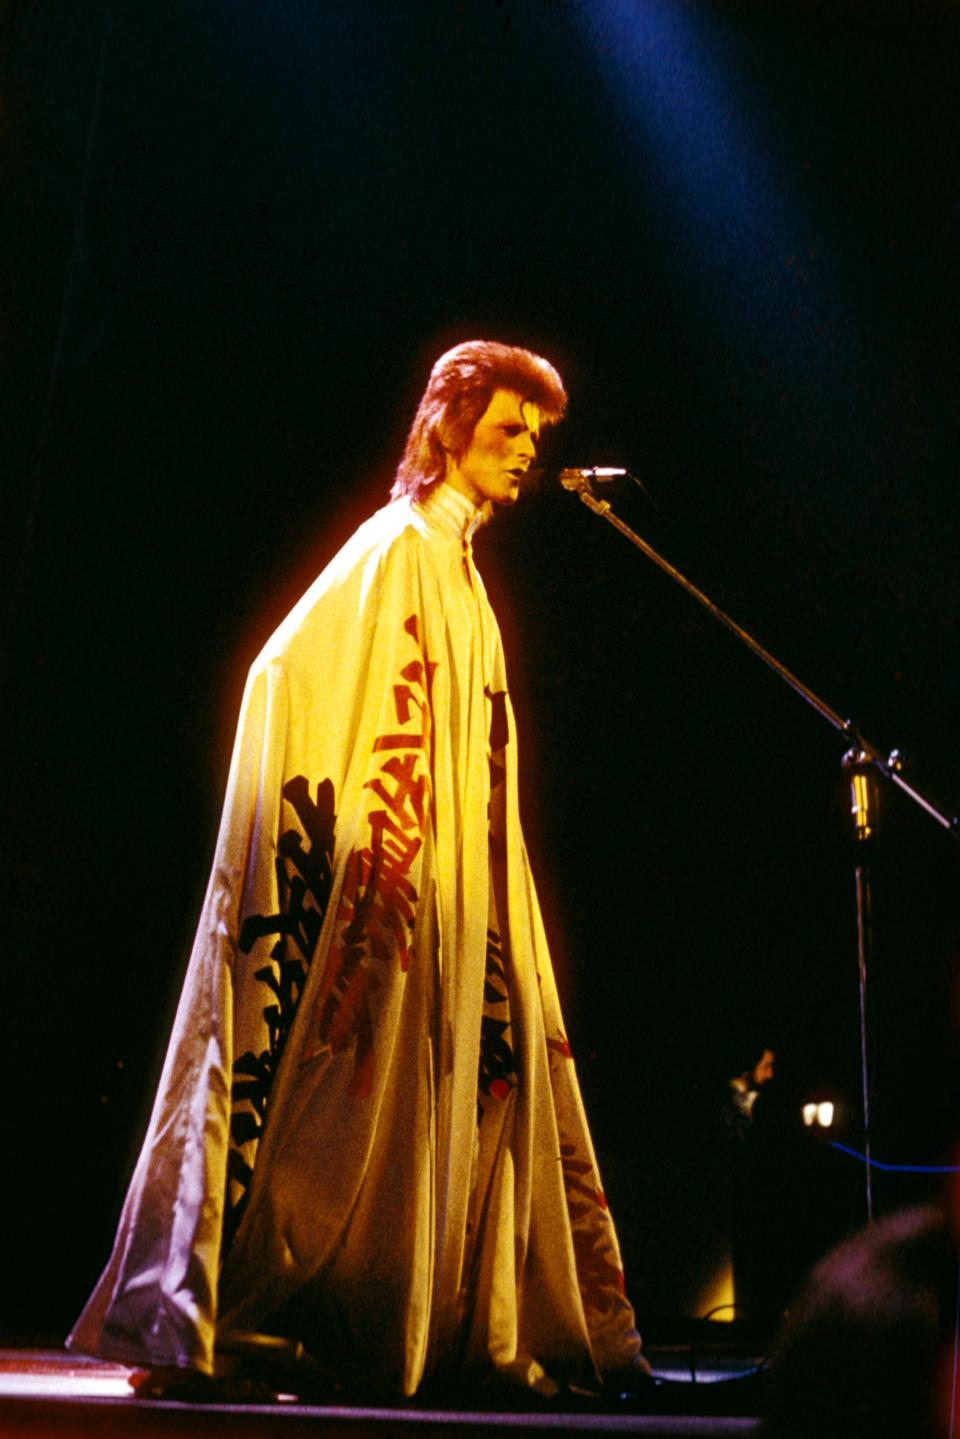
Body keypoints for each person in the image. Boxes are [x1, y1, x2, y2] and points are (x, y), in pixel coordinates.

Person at [68, 340, 647, 1401]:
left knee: (488, 1085)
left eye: (534, 434)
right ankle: (301, 1311)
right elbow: (282, 670)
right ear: (447, 427)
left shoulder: (465, 578)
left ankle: (447, 1322)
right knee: (341, 1106)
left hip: (455, 900)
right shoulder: (398, 548)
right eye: (508, 428)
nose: (524, 451)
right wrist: (338, 833)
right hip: (390, 887)